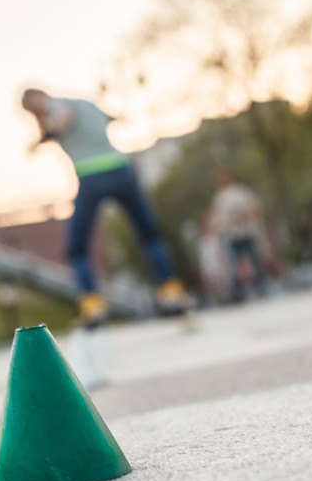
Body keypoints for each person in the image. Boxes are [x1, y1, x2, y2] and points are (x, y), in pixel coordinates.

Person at [21, 88, 191, 326]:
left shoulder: (57, 106)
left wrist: (46, 134)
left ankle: (93, 306)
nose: (35, 113)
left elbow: (63, 117)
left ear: (37, 98)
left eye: (32, 109)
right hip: (121, 170)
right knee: (150, 234)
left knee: (77, 248)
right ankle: (171, 292)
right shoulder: (86, 103)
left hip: (92, 177)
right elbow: (111, 118)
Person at [209, 167, 267, 303]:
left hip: (245, 231)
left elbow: (254, 208)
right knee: (233, 263)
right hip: (231, 235)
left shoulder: (241, 192)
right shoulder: (219, 198)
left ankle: (260, 286)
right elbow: (215, 219)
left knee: (254, 260)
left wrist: (248, 216)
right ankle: (238, 292)